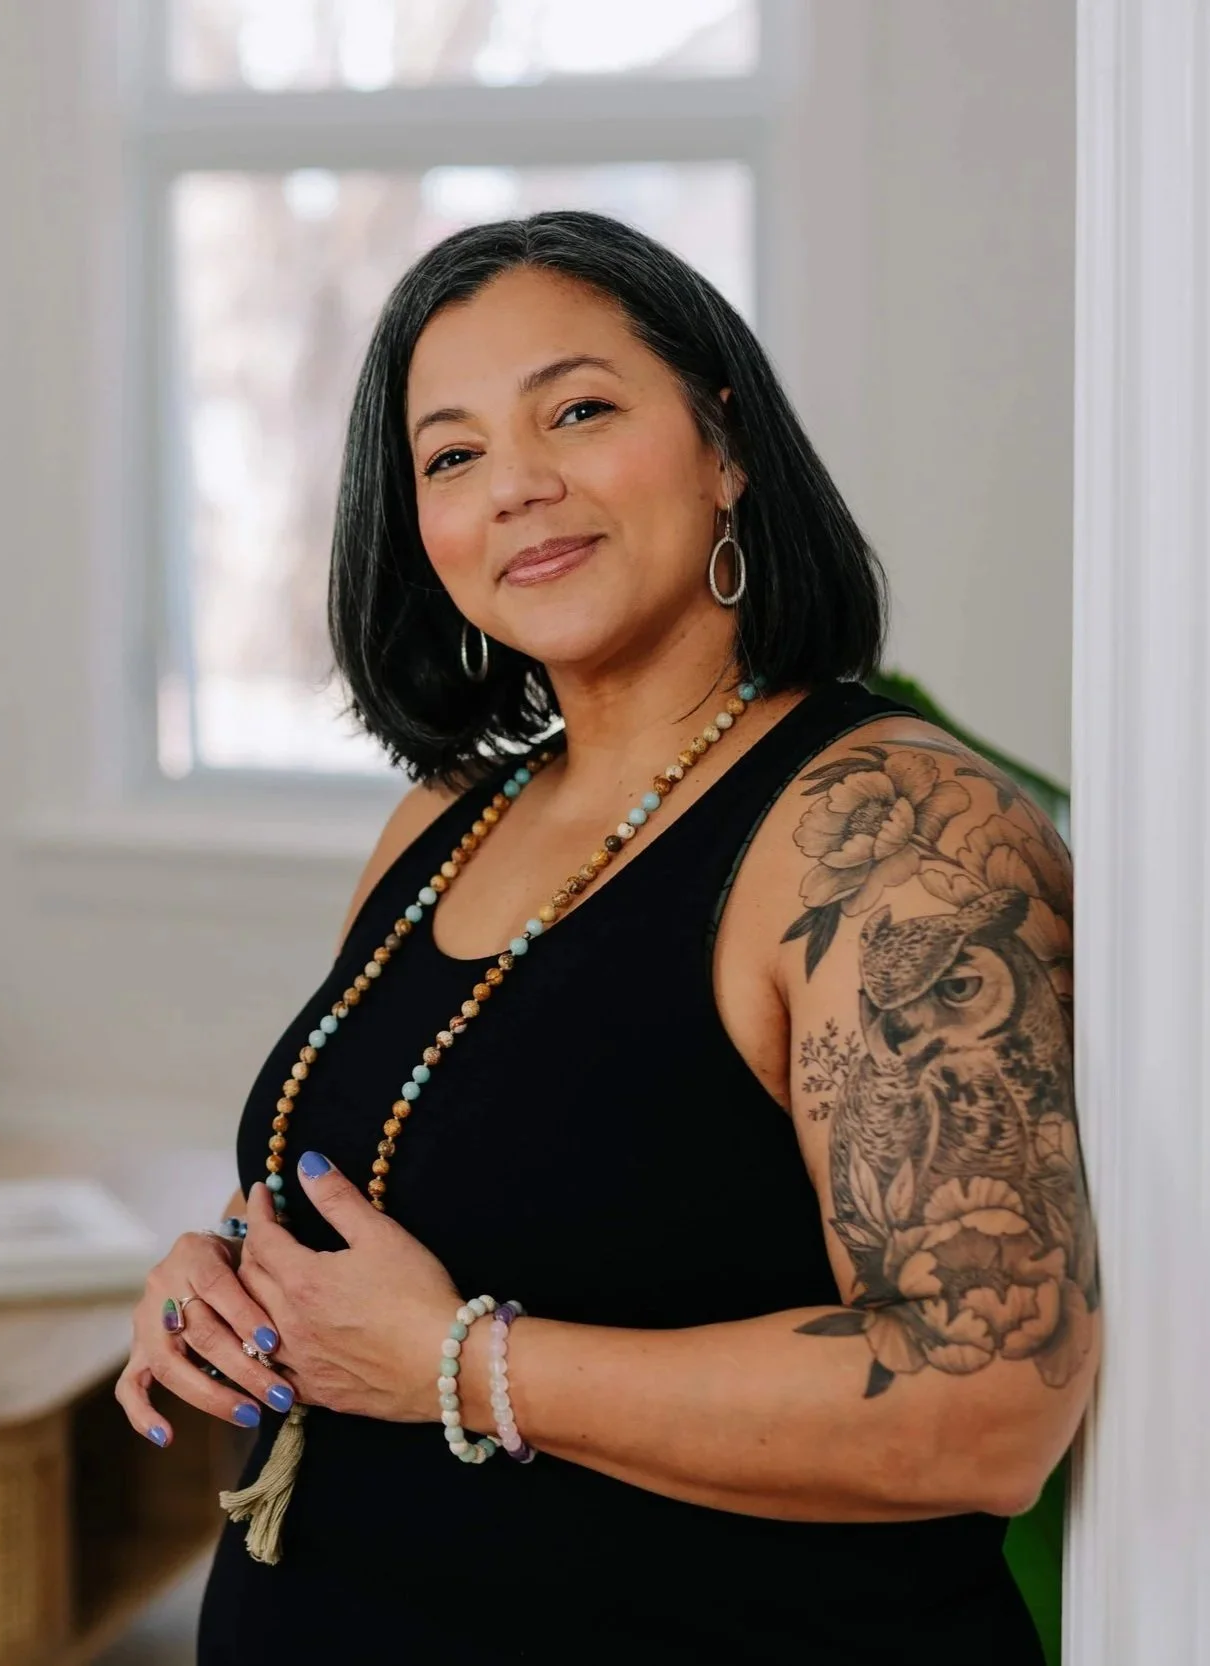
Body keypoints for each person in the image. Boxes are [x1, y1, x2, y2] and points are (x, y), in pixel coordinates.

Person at [116, 210, 1099, 1663]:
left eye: (577, 408)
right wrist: (235, 1290)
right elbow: (457, 1193)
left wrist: (456, 1362)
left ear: (724, 445)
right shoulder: (444, 816)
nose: (515, 484)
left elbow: (985, 1402)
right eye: (449, 455)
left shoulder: (884, 823)